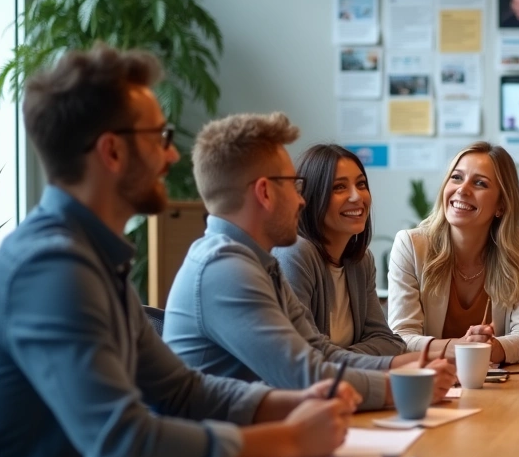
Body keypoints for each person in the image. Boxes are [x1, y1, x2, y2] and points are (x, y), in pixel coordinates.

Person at [0, 46, 358, 457]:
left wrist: (290, 403)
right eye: (159, 136)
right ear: (112, 151)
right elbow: (126, 446)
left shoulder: (90, 257)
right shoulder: (50, 269)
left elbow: (182, 392)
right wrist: (290, 438)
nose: (171, 154)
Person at [163, 113, 455, 411]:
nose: (302, 200)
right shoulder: (225, 269)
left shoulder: (259, 263)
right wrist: (403, 386)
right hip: (226, 448)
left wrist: (402, 364)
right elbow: (302, 375)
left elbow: (318, 353)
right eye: (293, 184)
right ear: (265, 192)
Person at [388, 142, 519, 364]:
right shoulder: (411, 246)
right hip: (431, 381)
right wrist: (459, 347)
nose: (462, 189)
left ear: (501, 205)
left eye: (480, 183)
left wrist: (492, 348)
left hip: (497, 385)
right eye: (456, 178)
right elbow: (400, 338)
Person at [274, 144, 416, 363]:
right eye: (339, 187)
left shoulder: (361, 261)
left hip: (346, 385)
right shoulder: (295, 254)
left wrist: (340, 356)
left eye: (361, 184)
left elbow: (388, 341)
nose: (356, 197)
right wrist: (350, 358)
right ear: (311, 197)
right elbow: (304, 356)